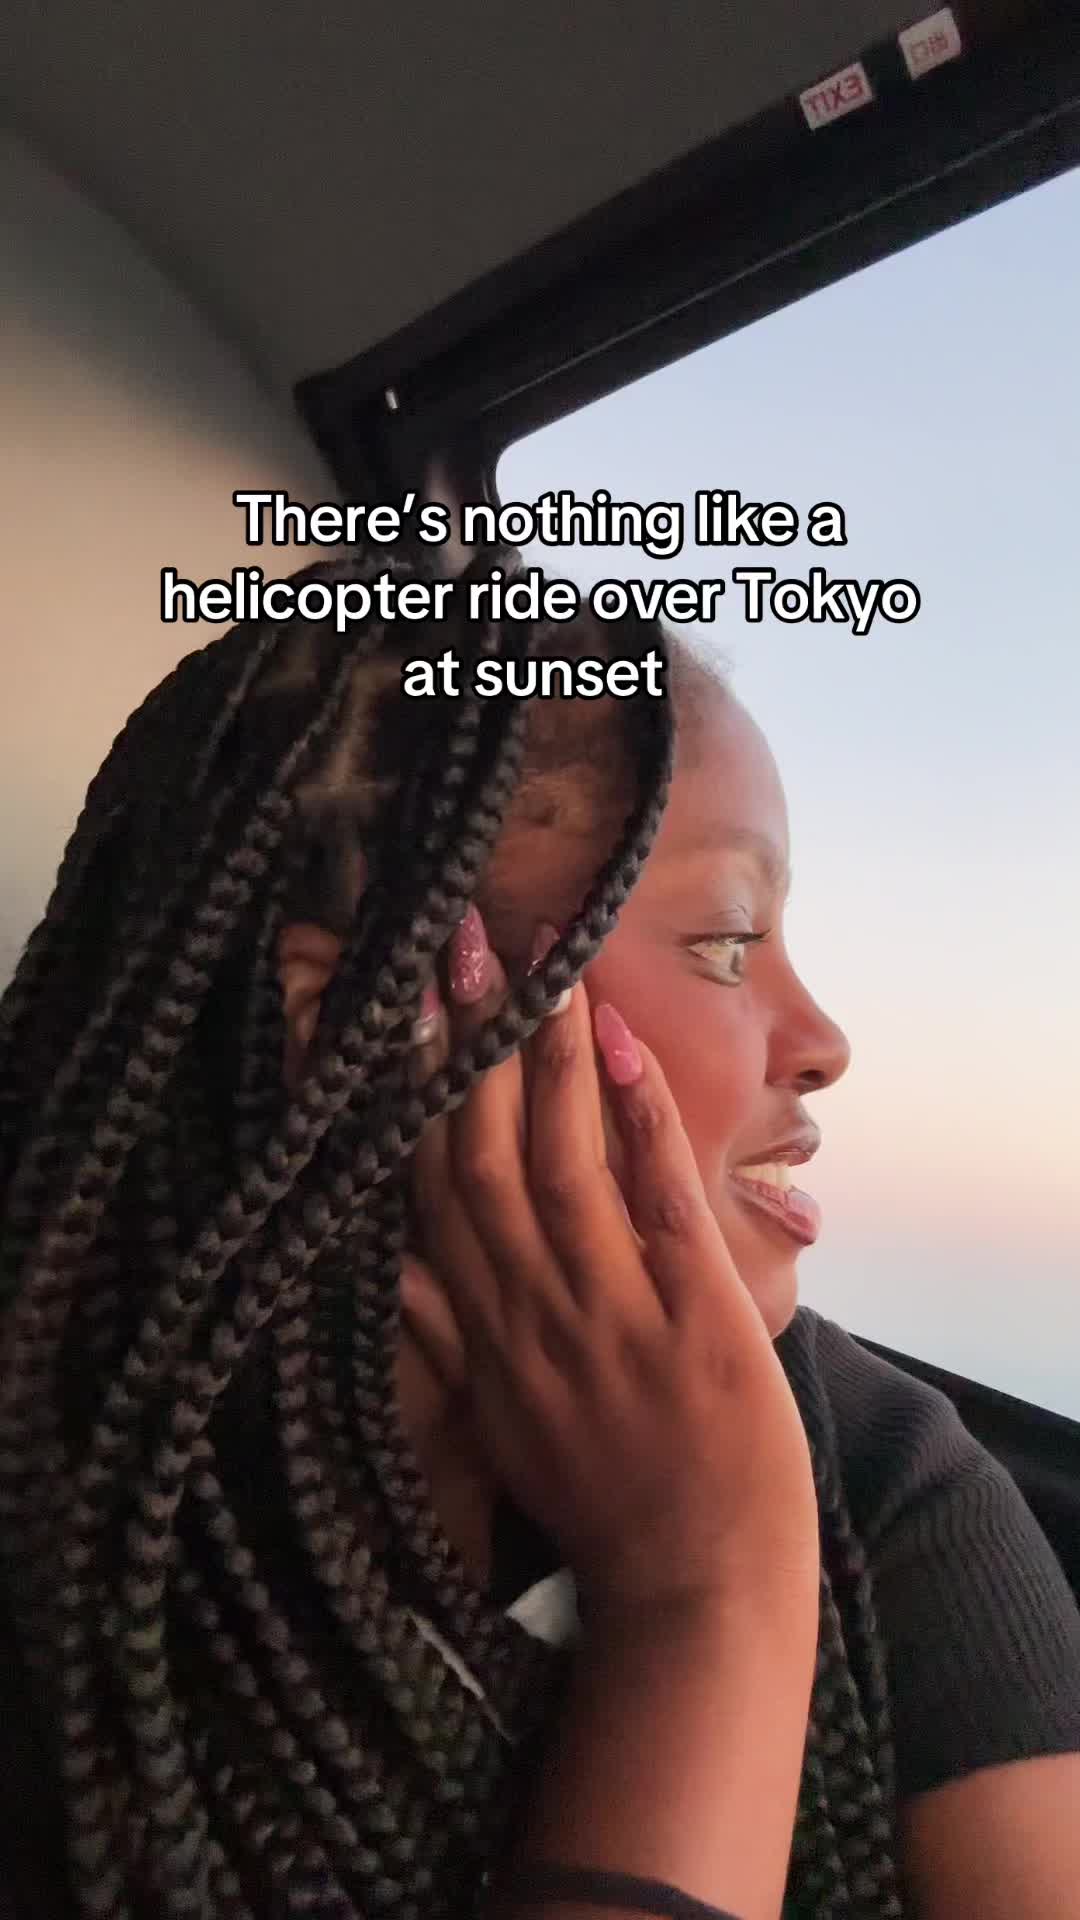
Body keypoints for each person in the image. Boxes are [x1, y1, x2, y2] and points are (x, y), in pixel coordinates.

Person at [0, 548, 1077, 1920]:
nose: (824, 1043)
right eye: (727, 942)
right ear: (363, 1027)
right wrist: (707, 1601)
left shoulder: (879, 1472)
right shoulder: (67, 1555)